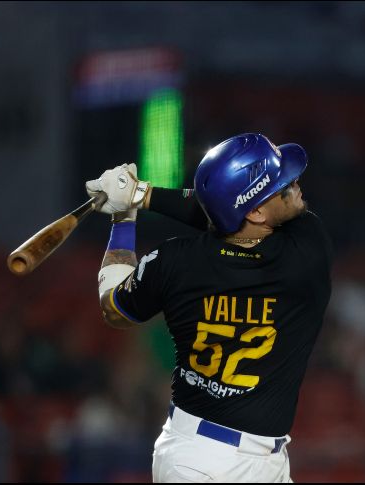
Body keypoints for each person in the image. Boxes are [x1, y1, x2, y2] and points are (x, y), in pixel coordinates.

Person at [87, 133, 333, 483]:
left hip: (238, 459)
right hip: (199, 465)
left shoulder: (174, 260)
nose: (295, 185)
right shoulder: (307, 251)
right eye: (282, 185)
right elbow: (219, 215)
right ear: (258, 211)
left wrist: (125, 217)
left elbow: (114, 307)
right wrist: (143, 195)